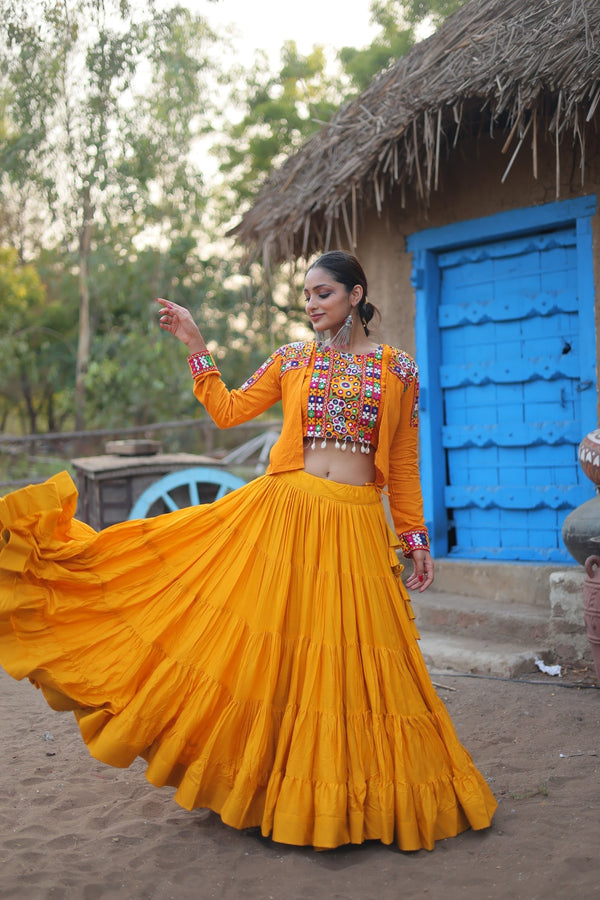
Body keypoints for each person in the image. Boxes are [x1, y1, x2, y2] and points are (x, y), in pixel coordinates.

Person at [0, 250, 496, 852]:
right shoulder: (292, 359)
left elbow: (403, 461)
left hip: (359, 527)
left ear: (357, 294)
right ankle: (270, 790)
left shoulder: (400, 370)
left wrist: (415, 538)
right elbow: (228, 409)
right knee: (276, 655)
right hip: (286, 518)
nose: (311, 304)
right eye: (306, 295)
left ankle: (352, 797)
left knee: (358, 662)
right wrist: (195, 343)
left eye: (323, 293)